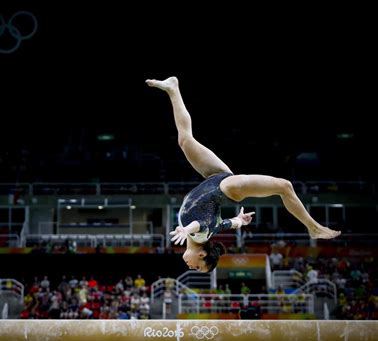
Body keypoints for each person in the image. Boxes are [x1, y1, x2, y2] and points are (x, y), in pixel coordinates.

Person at [145, 76, 341, 273]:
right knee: (284, 186)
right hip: (226, 188)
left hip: (215, 175)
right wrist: (186, 229)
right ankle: (313, 227)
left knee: (185, 140)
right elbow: (200, 224)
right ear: (202, 255)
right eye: (197, 267)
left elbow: (228, 224)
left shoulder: (207, 233)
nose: (191, 267)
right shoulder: (200, 234)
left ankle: (173, 88)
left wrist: (240, 220)